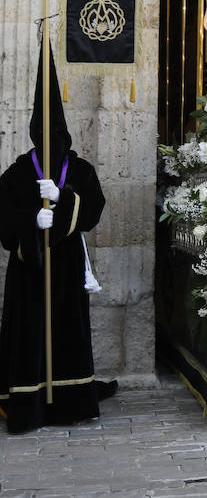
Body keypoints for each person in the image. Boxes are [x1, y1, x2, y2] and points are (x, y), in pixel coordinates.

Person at [0, 39, 111, 433]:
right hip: (30, 272)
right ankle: (28, 405)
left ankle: (70, 401)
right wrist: (32, 219)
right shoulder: (17, 173)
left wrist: (63, 199)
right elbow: (2, 217)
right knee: (29, 334)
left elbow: (94, 208)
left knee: (67, 333)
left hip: (64, 268)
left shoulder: (79, 170)